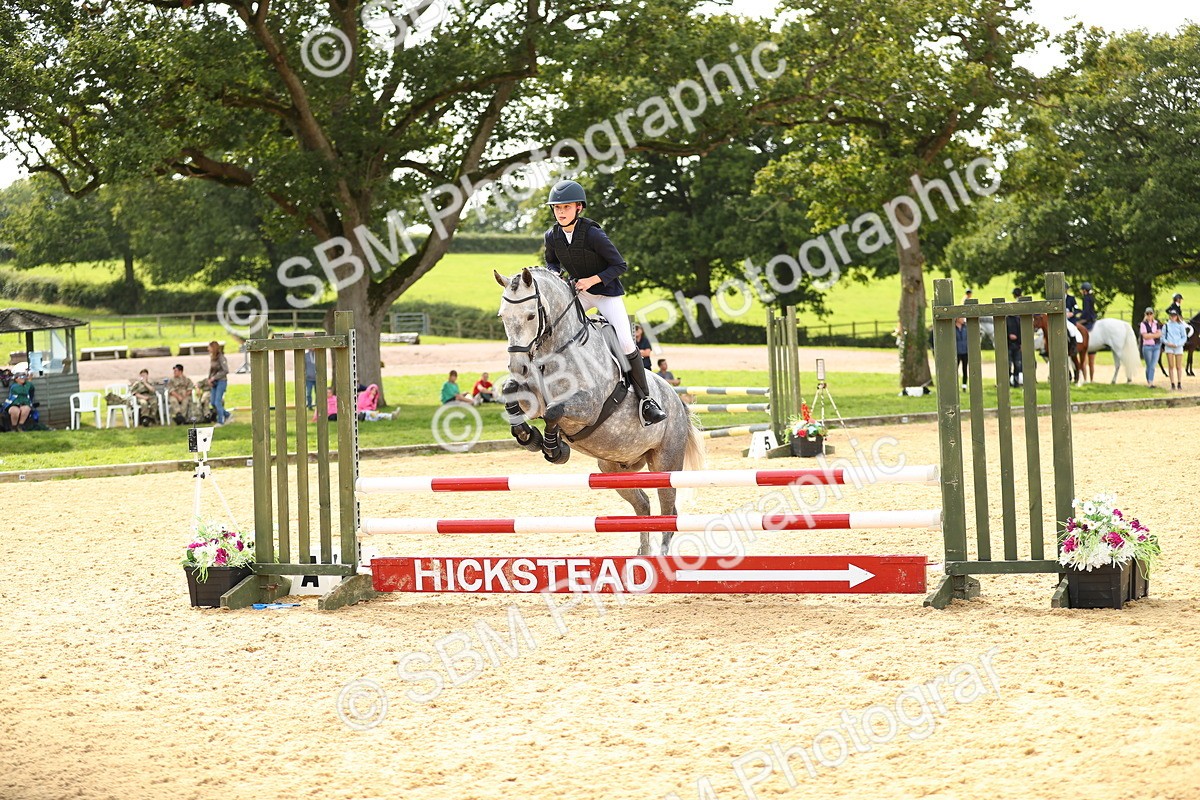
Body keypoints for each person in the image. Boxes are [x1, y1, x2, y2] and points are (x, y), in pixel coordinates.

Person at [543, 180, 666, 425]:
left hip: (607, 293)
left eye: (565, 207)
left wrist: (591, 280)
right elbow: (551, 262)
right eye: (556, 208)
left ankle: (646, 400)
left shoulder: (593, 234)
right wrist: (555, 274)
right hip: (580, 292)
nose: (560, 212)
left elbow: (620, 265)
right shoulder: (552, 236)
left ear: (578, 207)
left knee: (625, 341)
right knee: (555, 329)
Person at [1163, 308, 1188, 390]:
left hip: (1178, 346)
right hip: (1169, 346)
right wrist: (1168, 343)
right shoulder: (1166, 325)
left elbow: (1184, 337)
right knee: (1171, 365)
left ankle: (1179, 382)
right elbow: (1162, 337)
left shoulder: (1180, 326)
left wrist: (1178, 344)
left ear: (1177, 316)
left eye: (1174, 316)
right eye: (1171, 316)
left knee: (1178, 366)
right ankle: (1172, 383)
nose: (1173, 317)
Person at [207, 341, 232, 425]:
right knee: (213, 402)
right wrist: (209, 379)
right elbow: (211, 370)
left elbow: (226, 370)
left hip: (221, 381)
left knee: (218, 401)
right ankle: (227, 415)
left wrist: (215, 377)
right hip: (214, 382)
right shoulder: (212, 357)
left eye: (209, 347)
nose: (208, 349)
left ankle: (220, 421)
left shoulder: (221, 358)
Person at [1139, 307, 1163, 387]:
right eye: (1147, 314)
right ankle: (1149, 380)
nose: (1149, 316)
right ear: (1145, 315)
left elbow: (1159, 334)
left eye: (1151, 314)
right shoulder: (1143, 324)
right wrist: (1154, 335)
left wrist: (1150, 335)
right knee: (1149, 365)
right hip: (1147, 347)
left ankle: (1150, 382)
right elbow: (1145, 336)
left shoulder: (1156, 323)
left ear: (1153, 314)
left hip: (1156, 346)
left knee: (1153, 365)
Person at [1007, 289, 1023, 387]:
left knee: (1017, 364)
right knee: (1008, 364)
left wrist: (1020, 342)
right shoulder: (1006, 319)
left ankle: (1016, 381)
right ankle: (1009, 380)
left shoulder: (1018, 319)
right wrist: (1009, 335)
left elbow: (1020, 331)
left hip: (1016, 345)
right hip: (1008, 344)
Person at [955, 317, 969, 390]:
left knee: (965, 369)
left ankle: (964, 385)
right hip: (956, 352)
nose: (963, 319)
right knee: (955, 369)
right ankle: (955, 385)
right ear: (957, 319)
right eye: (962, 318)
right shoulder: (953, 328)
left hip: (965, 352)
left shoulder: (966, 327)